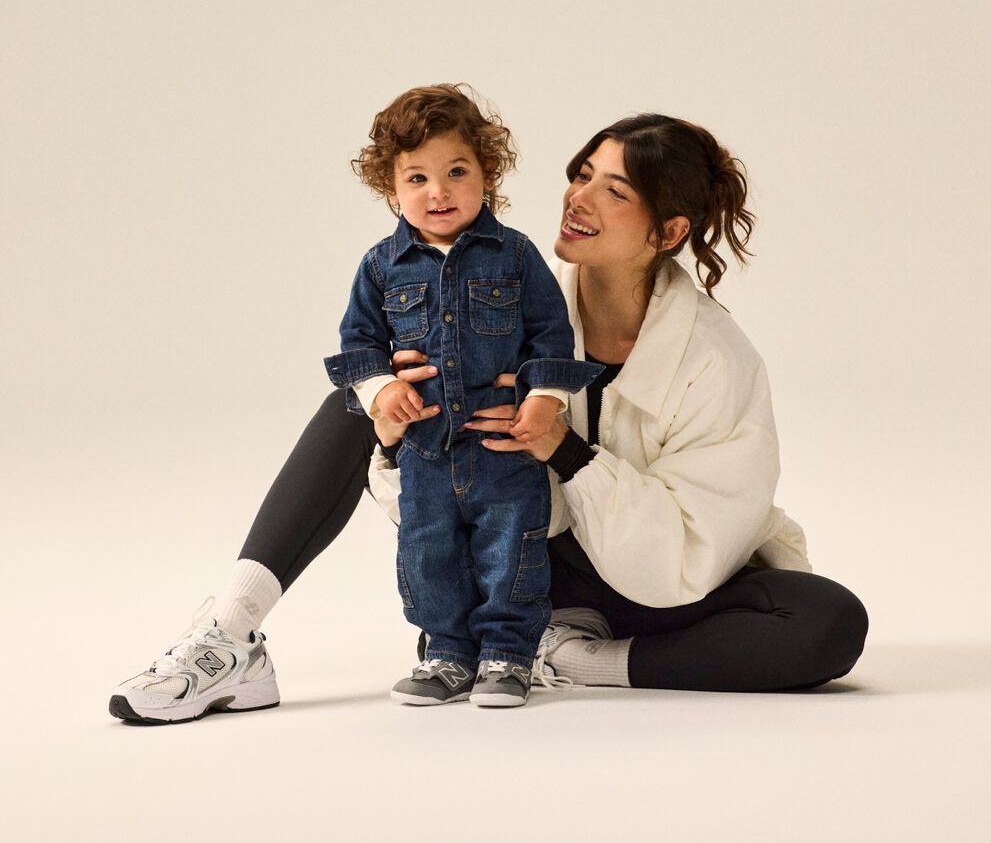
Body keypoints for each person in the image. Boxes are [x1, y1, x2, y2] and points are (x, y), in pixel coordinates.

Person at [109, 100, 869, 725]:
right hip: (518, 555)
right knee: (361, 391)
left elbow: (686, 555)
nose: (578, 197)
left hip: (655, 590)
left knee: (827, 620)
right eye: (581, 174)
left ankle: (571, 658)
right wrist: (391, 419)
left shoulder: (716, 359)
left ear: (667, 231)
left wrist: (563, 449)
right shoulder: (504, 290)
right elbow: (430, 456)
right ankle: (230, 634)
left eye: (614, 190)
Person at [323, 85, 601, 707]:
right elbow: (358, 344)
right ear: (391, 190)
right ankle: (446, 653)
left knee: (512, 549)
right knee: (429, 553)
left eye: (456, 172)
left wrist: (543, 400)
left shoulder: (517, 255)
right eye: (417, 178)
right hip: (425, 450)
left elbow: (551, 338)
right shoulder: (380, 266)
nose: (438, 192)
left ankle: (507, 654)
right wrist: (381, 390)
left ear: (487, 176)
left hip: (503, 449)